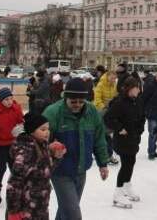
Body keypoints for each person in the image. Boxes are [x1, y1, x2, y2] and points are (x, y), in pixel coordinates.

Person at [43, 77, 109, 220]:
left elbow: (99, 139)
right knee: (73, 213)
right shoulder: (53, 113)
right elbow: (39, 141)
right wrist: (51, 148)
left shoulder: (91, 112)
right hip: (60, 171)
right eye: (73, 101)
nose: (77, 105)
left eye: (81, 101)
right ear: (66, 97)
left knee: (66, 209)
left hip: (81, 170)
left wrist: (103, 163)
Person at [6, 112, 66, 220]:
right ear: (32, 131)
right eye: (42, 129)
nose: (47, 132)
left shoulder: (42, 145)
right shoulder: (25, 151)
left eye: (48, 129)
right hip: (26, 208)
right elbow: (14, 183)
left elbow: (45, 171)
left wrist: (56, 156)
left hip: (40, 205)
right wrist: (13, 211)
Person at [104, 77, 145, 209]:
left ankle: (127, 186)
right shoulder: (120, 102)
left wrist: (140, 128)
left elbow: (142, 116)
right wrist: (120, 128)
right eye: (137, 87)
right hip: (122, 140)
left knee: (131, 162)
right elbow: (108, 118)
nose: (139, 89)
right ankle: (118, 193)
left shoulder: (137, 100)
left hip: (134, 138)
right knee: (126, 164)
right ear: (129, 89)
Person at [94, 69, 119, 165]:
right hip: (101, 112)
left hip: (110, 112)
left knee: (107, 135)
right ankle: (106, 155)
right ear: (107, 76)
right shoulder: (100, 85)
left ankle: (107, 154)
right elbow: (97, 99)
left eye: (115, 78)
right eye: (112, 78)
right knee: (104, 135)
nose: (113, 80)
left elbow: (115, 96)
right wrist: (103, 108)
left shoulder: (114, 85)